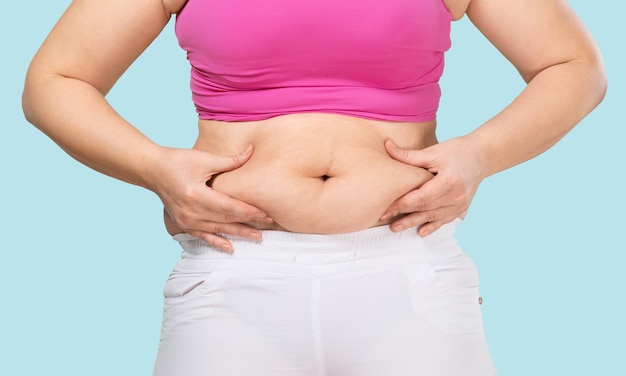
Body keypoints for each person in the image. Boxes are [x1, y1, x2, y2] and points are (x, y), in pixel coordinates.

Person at [22, 0, 606, 375]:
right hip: (233, 272)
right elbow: (55, 80)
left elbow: (574, 66)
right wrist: (153, 167)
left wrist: (481, 155)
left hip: (409, 269)